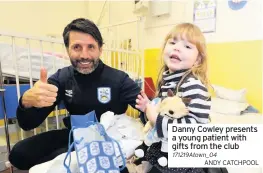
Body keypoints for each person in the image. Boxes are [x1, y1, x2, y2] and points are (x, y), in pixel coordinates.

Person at [9, 18, 141, 172]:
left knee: (60, 159)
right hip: (75, 134)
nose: (84, 55)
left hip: (109, 139)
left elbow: (147, 109)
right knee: (19, 153)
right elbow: (28, 124)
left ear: (100, 49)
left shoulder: (119, 79)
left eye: (91, 47)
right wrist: (26, 102)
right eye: (77, 47)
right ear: (67, 50)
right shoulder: (61, 78)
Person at [135, 23, 211, 173]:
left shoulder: (194, 86)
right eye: (172, 42)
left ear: (197, 61)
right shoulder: (168, 81)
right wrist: (147, 109)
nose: (177, 48)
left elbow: (194, 131)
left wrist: (155, 118)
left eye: (187, 47)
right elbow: (163, 113)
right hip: (163, 153)